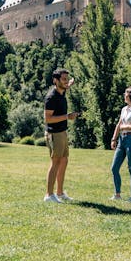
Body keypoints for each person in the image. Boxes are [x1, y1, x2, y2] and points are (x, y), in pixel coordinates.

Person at [43, 68, 79, 203]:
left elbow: (66, 86)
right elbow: (48, 119)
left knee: (64, 161)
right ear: (55, 81)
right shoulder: (51, 97)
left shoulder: (62, 90)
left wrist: (70, 83)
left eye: (66, 79)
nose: (65, 82)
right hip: (54, 134)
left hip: (62, 132)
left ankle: (59, 192)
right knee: (56, 162)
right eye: (63, 79)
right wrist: (67, 117)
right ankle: (49, 195)